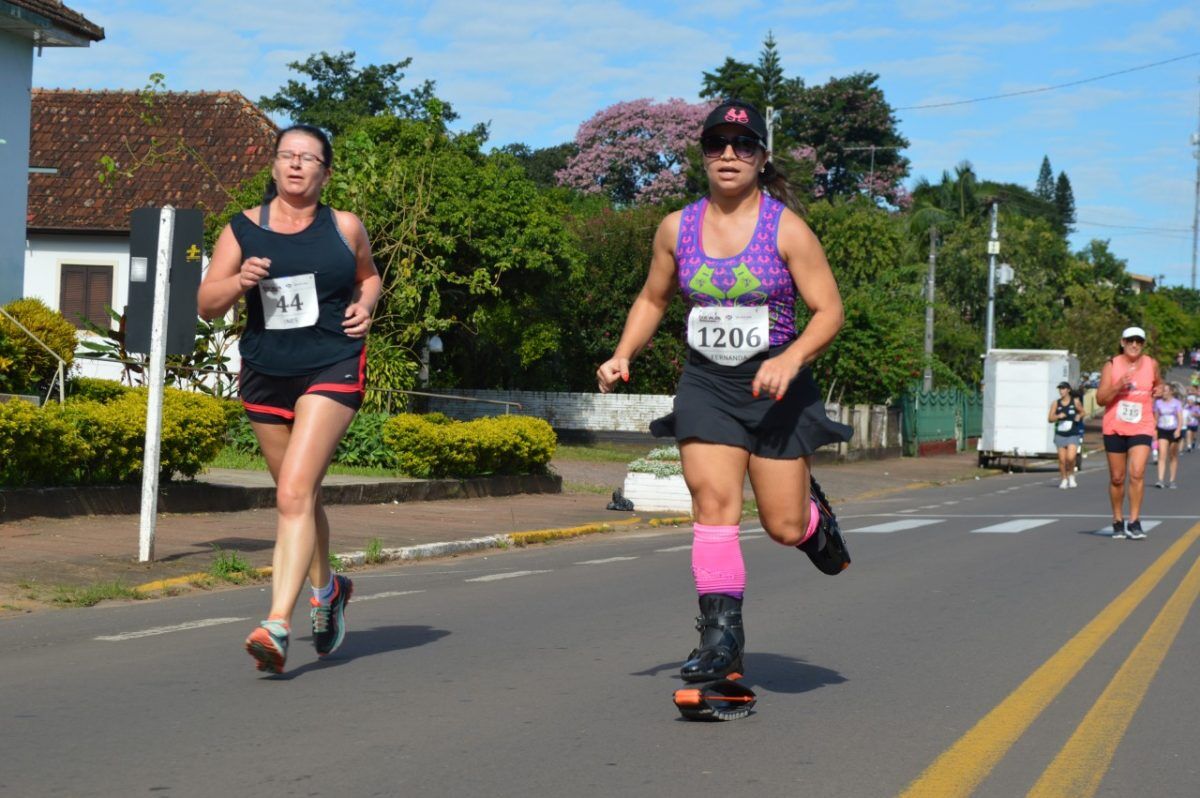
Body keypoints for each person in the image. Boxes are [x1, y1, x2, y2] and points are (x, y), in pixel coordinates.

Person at [596, 100, 852, 684]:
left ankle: (815, 521)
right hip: (708, 382)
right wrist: (622, 353)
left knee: (782, 527)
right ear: (704, 155)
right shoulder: (676, 227)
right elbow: (653, 299)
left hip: (776, 382)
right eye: (717, 144)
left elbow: (829, 310)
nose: (729, 155)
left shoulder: (787, 228)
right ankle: (720, 641)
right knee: (712, 505)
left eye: (742, 145)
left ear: (763, 157)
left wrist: (791, 359)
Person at [198, 124, 382, 673]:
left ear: (325, 171)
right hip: (265, 372)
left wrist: (366, 304)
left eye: (309, 158)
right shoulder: (242, 230)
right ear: (274, 166)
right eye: (288, 156)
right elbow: (207, 302)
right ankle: (328, 590)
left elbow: (368, 277)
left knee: (294, 493)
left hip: (332, 364)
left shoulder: (344, 227)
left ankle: (276, 623)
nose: (297, 165)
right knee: (297, 497)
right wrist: (240, 282)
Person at [1096, 326, 1164, 540]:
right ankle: (1118, 520)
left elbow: (1158, 384)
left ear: (1143, 344)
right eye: (1130, 340)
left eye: (1139, 341)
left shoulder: (1151, 363)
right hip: (1115, 425)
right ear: (1122, 342)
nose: (1135, 345)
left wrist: (1159, 389)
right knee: (1117, 478)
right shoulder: (1112, 365)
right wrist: (1118, 386)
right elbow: (1100, 399)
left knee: (1137, 473)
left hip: (1142, 425)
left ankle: (1134, 521)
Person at [1048, 381, 1084, 489]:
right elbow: (1050, 419)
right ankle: (1064, 479)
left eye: (1063, 388)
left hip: (1073, 433)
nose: (1061, 391)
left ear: (1068, 390)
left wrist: (1078, 416)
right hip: (1060, 434)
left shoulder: (1075, 402)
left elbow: (1083, 412)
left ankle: (1071, 475)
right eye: (1060, 389)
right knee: (1062, 460)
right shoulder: (1056, 403)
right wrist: (1058, 416)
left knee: (1070, 457)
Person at [1152, 383, 1184, 488]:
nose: (1163, 393)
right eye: (1162, 391)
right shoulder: (1158, 403)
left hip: (1173, 431)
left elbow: (1180, 418)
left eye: (1165, 391)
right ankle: (1160, 480)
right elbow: (1156, 418)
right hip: (1162, 430)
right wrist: (1154, 431)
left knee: (1173, 456)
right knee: (1162, 455)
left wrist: (1178, 429)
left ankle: (1172, 480)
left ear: (1171, 392)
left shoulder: (1177, 403)